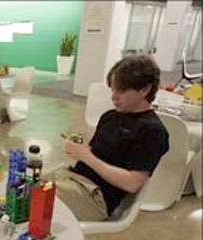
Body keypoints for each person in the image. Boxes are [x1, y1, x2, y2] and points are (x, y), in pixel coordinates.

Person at [48, 54, 169, 221]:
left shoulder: (152, 131)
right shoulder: (110, 116)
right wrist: (79, 147)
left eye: (121, 90)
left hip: (96, 197)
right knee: (18, 181)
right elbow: (97, 154)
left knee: (31, 199)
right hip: (73, 178)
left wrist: (86, 155)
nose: (114, 96)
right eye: (112, 89)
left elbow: (132, 183)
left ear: (145, 90)